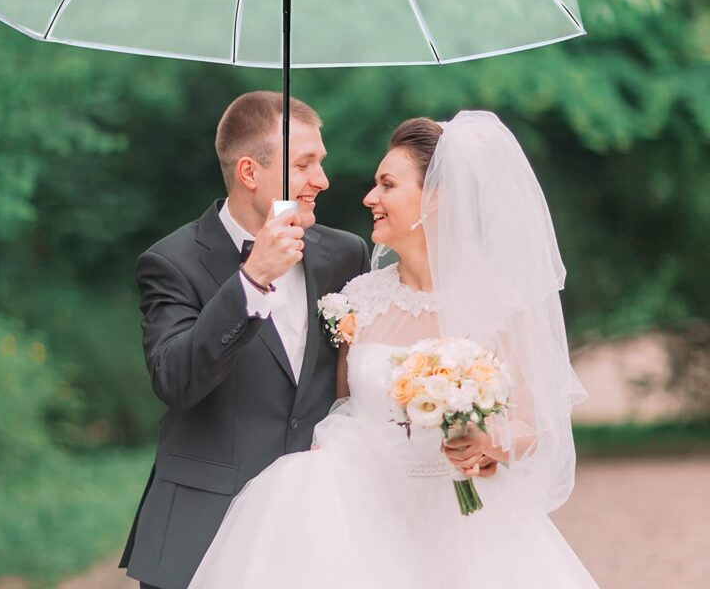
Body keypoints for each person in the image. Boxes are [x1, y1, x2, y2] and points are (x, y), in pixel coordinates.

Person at [186, 110, 599, 588]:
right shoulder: (357, 298)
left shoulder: (500, 305)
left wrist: (486, 443)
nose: (369, 197)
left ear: (437, 198)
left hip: (463, 515)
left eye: (387, 185)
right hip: (354, 505)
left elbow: (535, 423)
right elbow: (340, 402)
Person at [120, 91, 370, 589]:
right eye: (305, 164)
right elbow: (175, 380)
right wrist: (251, 282)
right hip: (205, 530)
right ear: (250, 173)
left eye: (321, 163)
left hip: (320, 531)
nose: (322, 180)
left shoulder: (345, 255)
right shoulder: (172, 263)